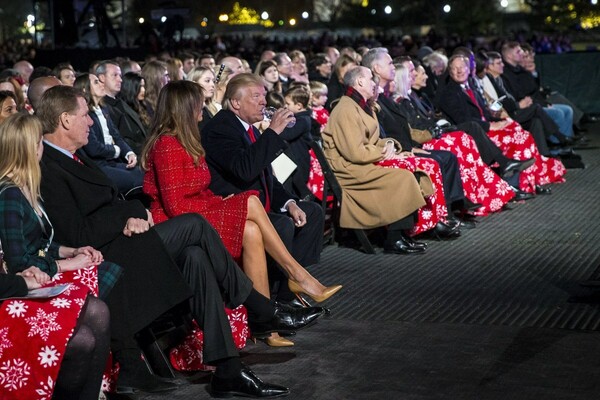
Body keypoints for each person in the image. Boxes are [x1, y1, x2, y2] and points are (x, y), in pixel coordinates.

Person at [37, 85, 323, 397]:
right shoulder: (49, 166)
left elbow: (120, 198)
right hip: (109, 257)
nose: (91, 122)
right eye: (85, 115)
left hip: (130, 240)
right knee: (196, 225)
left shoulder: (76, 158)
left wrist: (133, 213)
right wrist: (124, 218)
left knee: (196, 257)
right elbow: (76, 232)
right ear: (65, 120)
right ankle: (260, 308)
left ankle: (228, 369)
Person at [141, 80, 337, 345]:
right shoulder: (167, 145)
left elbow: (200, 189)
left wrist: (221, 200)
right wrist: (221, 204)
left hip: (199, 213)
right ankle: (297, 276)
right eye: (199, 105)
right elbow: (177, 206)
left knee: (253, 228)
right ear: (185, 108)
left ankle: (267, 327)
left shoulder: (186, 140)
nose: (203, 110)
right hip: (181, 224)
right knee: (253, 203)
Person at [0, 113, 114, 400]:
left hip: (38, 275)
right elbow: (18, 262)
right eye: (39, 142)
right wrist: (66, 264)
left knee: (105, 288)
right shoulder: (10, 194)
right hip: (19, 291)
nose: (43, 147)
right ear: (28, 149)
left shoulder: (28, 188)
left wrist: (71, 250)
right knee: (98, 304)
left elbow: (40, 244)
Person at [202, 74, 329, 300]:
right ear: (235, 103)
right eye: (256, 96)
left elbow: (267, 176)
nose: (263, 101)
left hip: (261, 203)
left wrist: (289, 202)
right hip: (235, 207)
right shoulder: (220, 128)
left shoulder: (247, 127)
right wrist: (272, 133)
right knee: (282, 225)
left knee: (312, 212)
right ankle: (280, 299)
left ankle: (288, 292)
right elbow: (245, 169)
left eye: (263, 95)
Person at [322, 66, 433, 254]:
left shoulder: (360, 105)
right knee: (403, 177)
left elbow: (370, 142)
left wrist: (389, 145)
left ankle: (402, 234)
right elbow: (354, 153)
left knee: (409, 168)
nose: (374, 83)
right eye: (370, 79)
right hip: (349, 170)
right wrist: (383, 153)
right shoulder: (346, 109)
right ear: (359, 82)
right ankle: (394, 239)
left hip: (361, 162)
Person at [361, 49, 463, 237]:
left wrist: (409, 147)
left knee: (445, 156)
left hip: (401, 148)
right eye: (390, 63)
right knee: (434, 162)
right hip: (388, 154)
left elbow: (399, 129)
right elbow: (381, 133)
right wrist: (406, 149)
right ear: (376, 68)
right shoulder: (373, 99)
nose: (394, 67)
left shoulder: (383, 97)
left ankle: (442, 216)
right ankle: (429, 223)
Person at [437, 55, 566, 194]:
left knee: (521, 132)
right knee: (519, 139)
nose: (459, 71)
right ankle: (516, 187)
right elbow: (464, 120)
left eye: (462, 67)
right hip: (475, 134)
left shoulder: (471, 86)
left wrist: (496, 119)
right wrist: (490, 126)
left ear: (469, 69)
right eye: (455, 68)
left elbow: (482, 113)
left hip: (485, 125)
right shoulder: (449, 93)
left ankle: (529, 183)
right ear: (450, 72)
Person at [74, 73, 143, 193]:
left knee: (145, 173)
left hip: (112, 162)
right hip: (99, 166)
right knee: (138, 179)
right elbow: (94, 148)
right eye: (96, 82)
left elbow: (117, 136)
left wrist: (129, 153)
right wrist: (116, 150)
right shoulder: (86, 115)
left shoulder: (104, 109)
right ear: (85, 89)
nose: (102, 84)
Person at [116, 71, 151, 155]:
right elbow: (128, 140)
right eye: (140, 86)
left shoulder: (142, 107)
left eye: (144, 86)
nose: (143, 90)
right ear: (130, 88)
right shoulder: (123, 110)